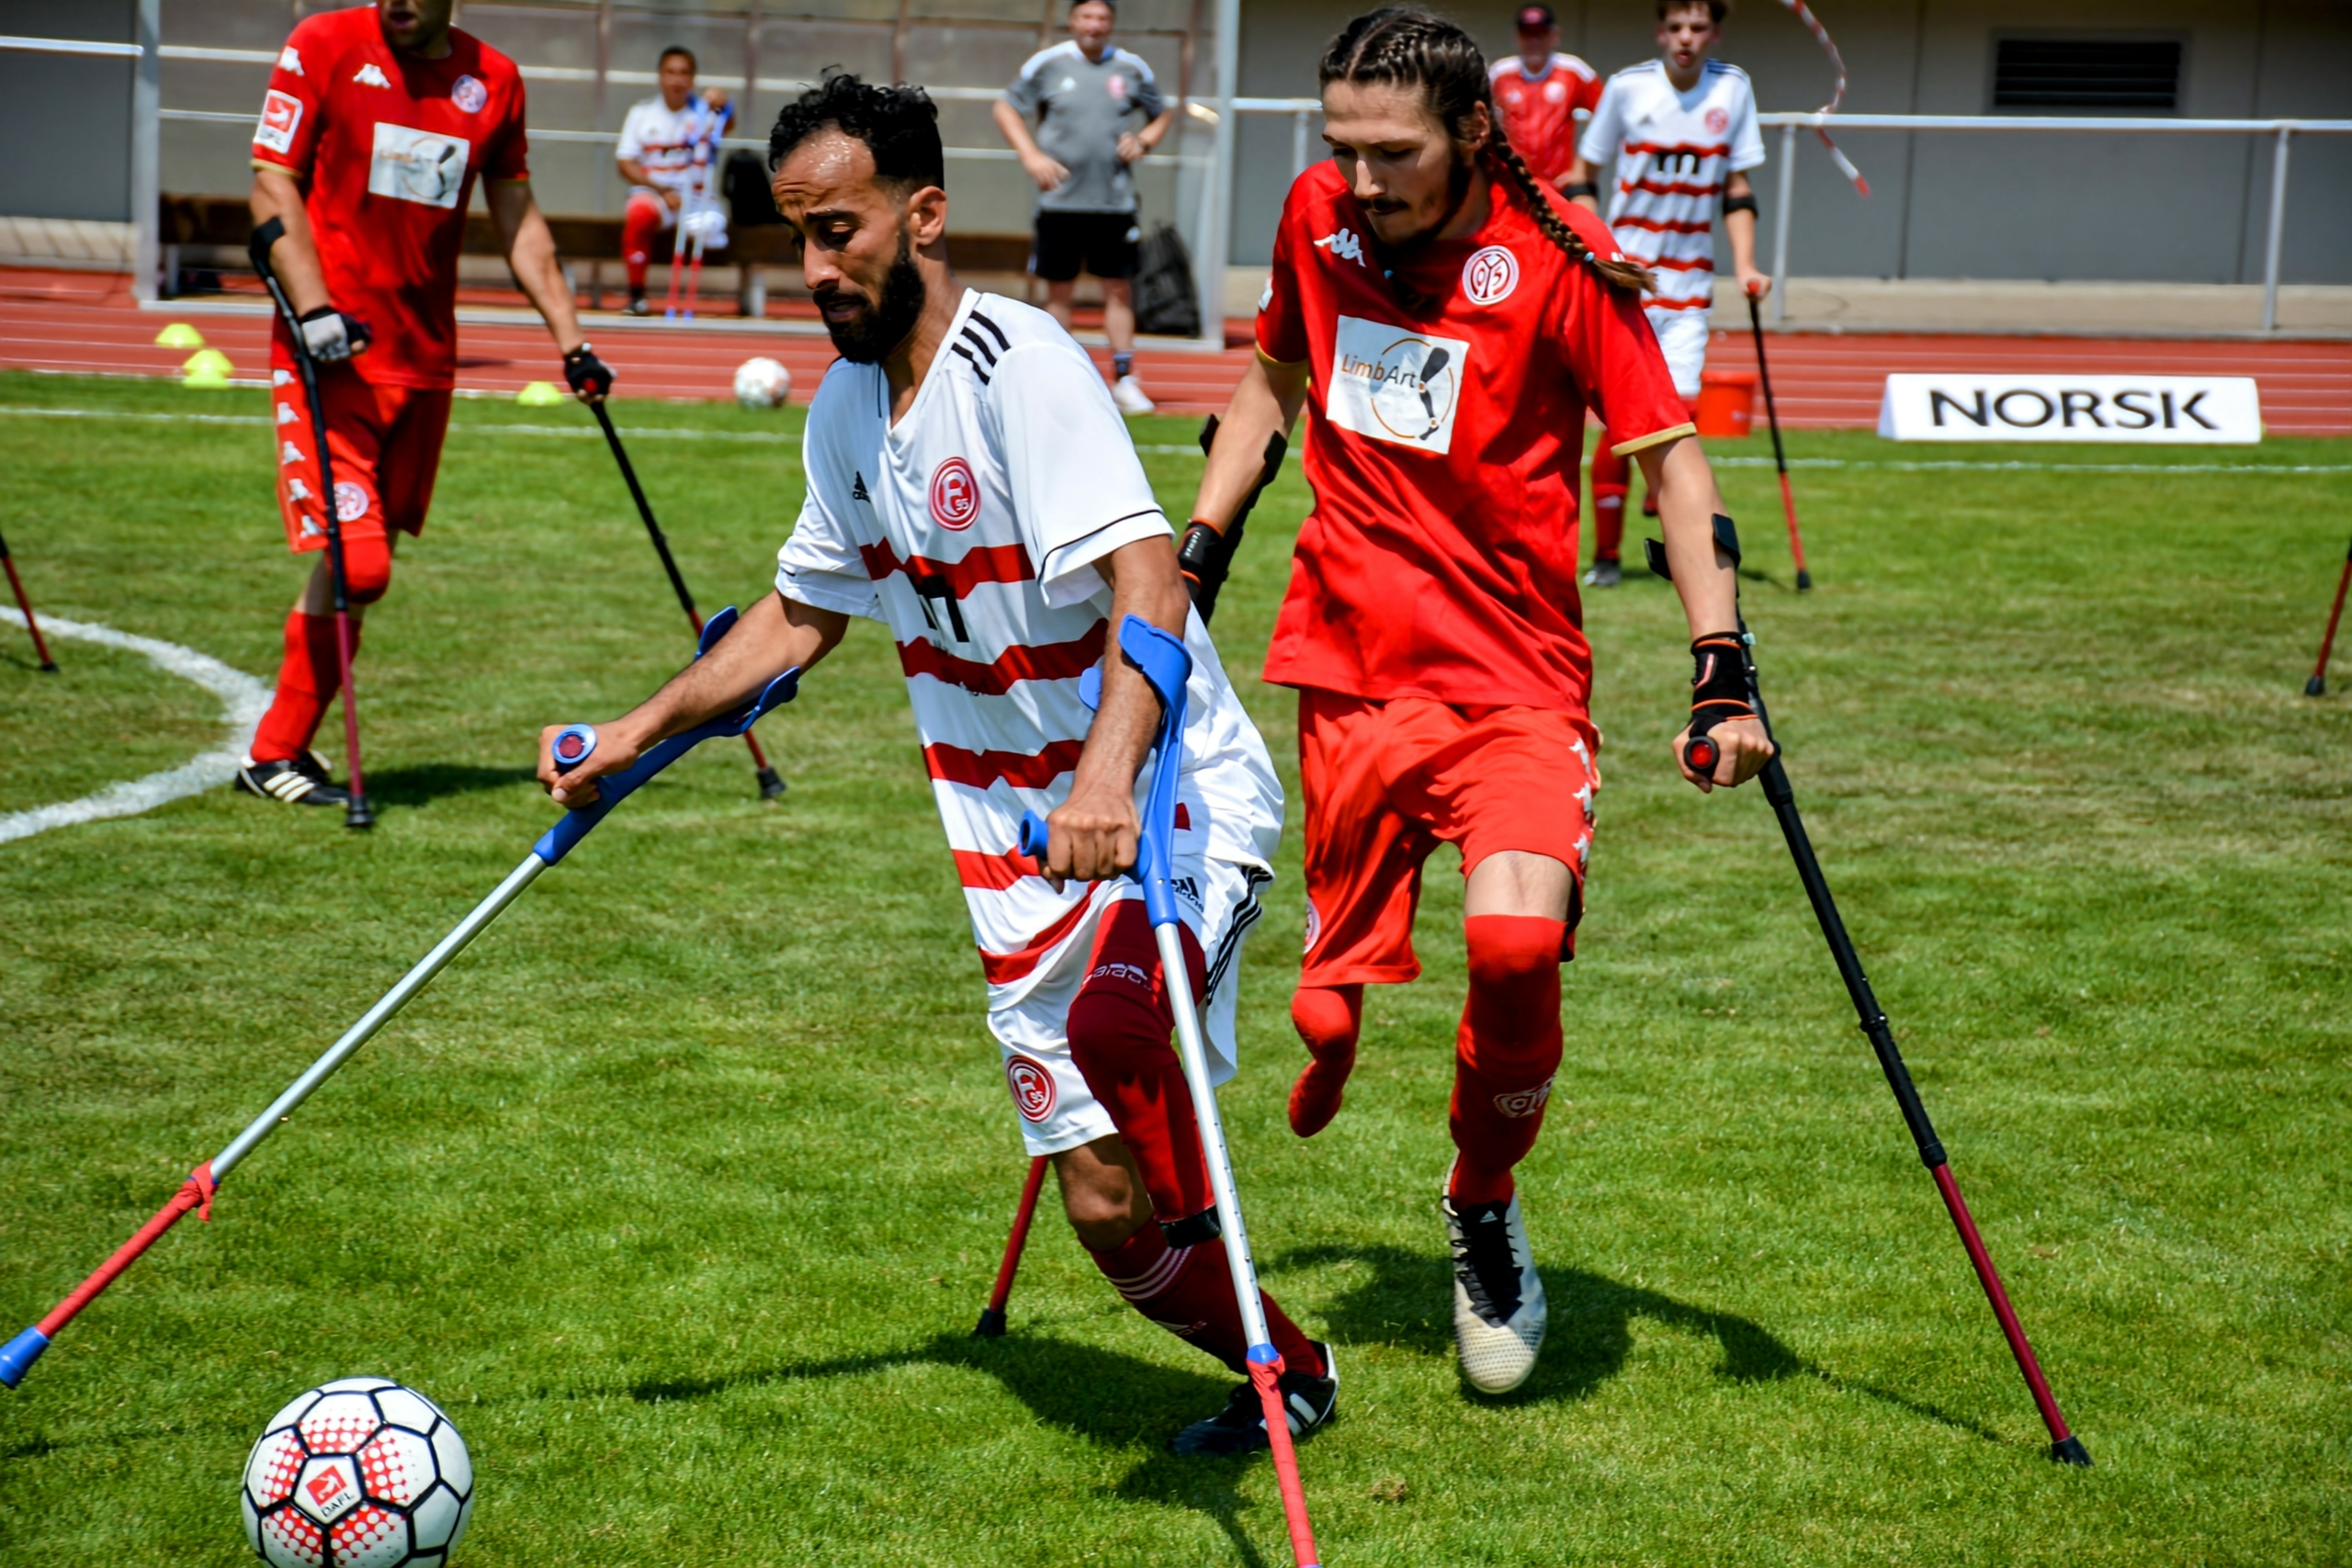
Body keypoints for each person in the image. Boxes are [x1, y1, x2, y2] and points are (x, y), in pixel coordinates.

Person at [539, 73, 1337, 1456]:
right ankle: (1289, 1358)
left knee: (1117, 1026)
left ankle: (1269, 1349)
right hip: (1010, 850)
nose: (816, 267)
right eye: (797, 236)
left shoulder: (1022, 367)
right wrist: (633, 733)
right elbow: (799, 615)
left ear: (921, 214)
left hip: (1159, 792)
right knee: (1102, 1203)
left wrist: (1104, 782)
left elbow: (1151, 579)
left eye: (838, 229)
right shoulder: (846, 410)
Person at [1182, 7, 1773, 1395]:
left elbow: (1673, 466)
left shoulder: (1560, 258)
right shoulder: (1315, 217)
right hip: (1348, 675)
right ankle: (1330, 1016)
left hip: (1515, 683)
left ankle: (1483, 1200)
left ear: (1468, 136)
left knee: (1514, 950)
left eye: (1395, 152)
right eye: (1344, 147)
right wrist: (1196, 553)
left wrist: (1721, 661)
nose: (1365, 178)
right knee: (1326, 1018)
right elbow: (1271, 379)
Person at [239, 0, 611, 808]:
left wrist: (572, 342)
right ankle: (274, 750)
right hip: (328, 358)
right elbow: (272, 183)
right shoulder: (324, 43)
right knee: (358, 562)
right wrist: (312, 310)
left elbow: (517, 218)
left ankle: (276, 754)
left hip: (424, 366)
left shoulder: (496, 81)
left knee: (369, 562)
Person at [1563, 0, 1768, 587]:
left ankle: (1668, 519)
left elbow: (1736, 185)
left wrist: (1748, 264)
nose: (1686, 37)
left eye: (1698, 27)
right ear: (1661, 32)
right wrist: (1598, 250)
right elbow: (1582, 174)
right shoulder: (1629, 89)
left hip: (1691, 283)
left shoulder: (1733, 90)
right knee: (1620, 421)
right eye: (1676, 26)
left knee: (1678, 415)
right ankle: (1605, 557)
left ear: (1715, 34)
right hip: (1628, 281)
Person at [992, 0, 1173, 416]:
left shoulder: (1132, 68)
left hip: (1114, 202)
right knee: (1059, 289)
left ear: (1111, 24)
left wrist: (1144, 140)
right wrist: (1031, 156)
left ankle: (1125, 379)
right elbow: (1006, 108)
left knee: (1118, 288)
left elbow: (1161, 114)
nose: (1094, 25)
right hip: (1060, 201)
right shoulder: (1048, 64)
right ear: (1073, 21)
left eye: (1102, 18)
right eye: (1087, 17)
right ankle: (1058, 377)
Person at [616, 47, 734, 316]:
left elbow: (727, 124)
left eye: (683, 74)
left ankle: (710, 232)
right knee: (638, 213)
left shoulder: (704, 112)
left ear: (692, 79)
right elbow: (625, 162)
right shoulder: (642, 113)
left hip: (696, 198)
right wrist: (662, 189)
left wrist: (725, 103)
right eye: (671, 73)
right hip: (657, 194)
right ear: (660, 76)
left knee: (709, 229)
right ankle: (637, 296)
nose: (677, 80)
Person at [1487, 4, 1602, 190]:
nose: (1534, 42)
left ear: (1554, 36)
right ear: (1517, 37)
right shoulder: (1499, 75)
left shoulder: (1574, 72)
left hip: (1560, 186)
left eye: (1540, 34)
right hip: (1514, 184)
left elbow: (1606, 117)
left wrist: (1580, 169)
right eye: (1527, 34)